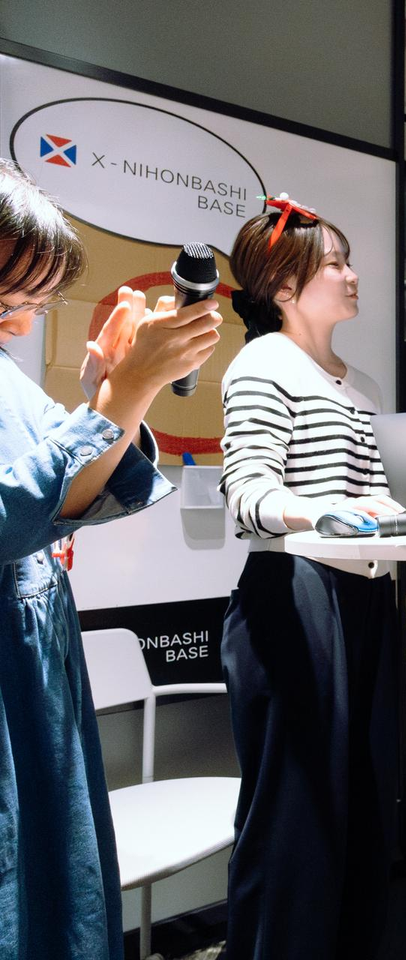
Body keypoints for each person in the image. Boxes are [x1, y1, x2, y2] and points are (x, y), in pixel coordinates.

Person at [0, 160, 220, 958]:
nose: (20, 328)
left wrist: (113, 389)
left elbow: (65, 489)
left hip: (35, 668)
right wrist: (120, 395)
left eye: (32, 306)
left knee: (55, 885)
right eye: (11, 302)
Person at [218, 197, 403, 958]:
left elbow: (378, 496)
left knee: (364, 801)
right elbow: (247, 495)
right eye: (335, 263)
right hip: (293, 597)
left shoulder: (364, 385)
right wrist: (329, 511)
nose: (352, 275)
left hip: (367, 595)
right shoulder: (262, 363)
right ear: (284, 287)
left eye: (348, 260)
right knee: (293, 817)